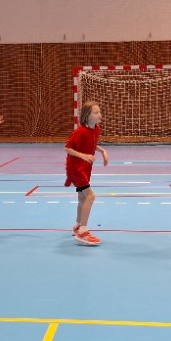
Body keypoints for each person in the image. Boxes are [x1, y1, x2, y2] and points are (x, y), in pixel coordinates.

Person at [65, 101, 108, 245]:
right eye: (96, 113)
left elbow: (92, 144)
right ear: (87, 116)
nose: (99, 115)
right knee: (90, 196)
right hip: (75, 168)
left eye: (99, 112)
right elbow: (67, 148)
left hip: (85, 168)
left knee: (82, 199)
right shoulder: (80, 132)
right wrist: (83, 156)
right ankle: (83, 231)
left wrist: (102, 151)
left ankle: (77, 226)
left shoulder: (96, 129)